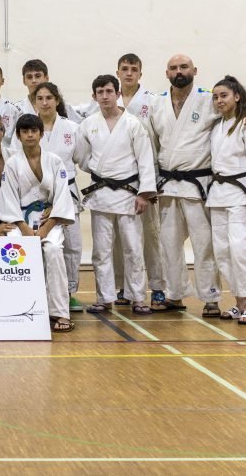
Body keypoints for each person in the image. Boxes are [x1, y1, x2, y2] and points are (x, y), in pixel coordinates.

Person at [148, 54, 246, 316]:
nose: (179, 71)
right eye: (174, 68)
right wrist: (150, 183)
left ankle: (211, 297)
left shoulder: (208, 97)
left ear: (194, 71)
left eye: (184, 67)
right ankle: (175, 295)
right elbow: (152, 143)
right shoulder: (157, 103)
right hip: (167, 184)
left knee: (205, 244)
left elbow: (236, 107)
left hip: (198, 184)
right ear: (166, 73)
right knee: (168, 243)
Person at [74, 74, 157, 315]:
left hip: (129, 194)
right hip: (101, 193)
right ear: (94, 96)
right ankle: (104, 297)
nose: (105, 96)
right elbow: (81, 156)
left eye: (109, 91)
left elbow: (145, 160)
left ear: (118, 94)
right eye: (100, 92)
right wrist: (100, 172)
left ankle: (138, 297)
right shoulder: (88, 124)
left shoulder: (133, 124)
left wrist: (144, 193)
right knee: (101, 250)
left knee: (133, 247)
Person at [0, 114, 76, 332]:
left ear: (41, 134)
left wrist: (45, 229)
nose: (30, 135)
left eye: (34, 130)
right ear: (19, 136)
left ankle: (59, 312)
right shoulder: (12, 164)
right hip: (20, 220)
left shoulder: (54, 161)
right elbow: (9, 200)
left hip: (48, 219)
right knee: (15, 253)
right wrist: (25, 230)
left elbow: (61, 197)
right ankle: (19, 309)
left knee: (52, 250)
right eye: (25, 131)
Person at [207, 76, 246, 325]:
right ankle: (238, 302)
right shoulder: (217, 126)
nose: (219, 100)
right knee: (223, 252)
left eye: (224, 95)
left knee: (242, 249)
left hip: (242, 195)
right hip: (219, 195)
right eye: (215, 96)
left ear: (237, 97)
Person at [109, 54, 165, 310]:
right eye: (124, 69)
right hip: (118, 181)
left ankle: (157, 287)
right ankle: (124, 286)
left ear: (140, 74)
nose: (129, 73)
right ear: (118, 72)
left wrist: (154, 182)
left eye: (134, 69)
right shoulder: (109, 99)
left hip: (145, 178)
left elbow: (163, 137)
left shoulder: (152, 102)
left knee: (151, 236)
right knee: (121, 237)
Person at [26, 82, 85, 313]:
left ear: (57, 100)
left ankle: (68, 292)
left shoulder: (71, 127)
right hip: (35, 195)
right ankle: (38, 289)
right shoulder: (28, 128)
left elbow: (81, 157)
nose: (44, 102)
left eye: (49, 98)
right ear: (34, 102)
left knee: (72, 244)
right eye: (39, 98)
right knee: (40, 243)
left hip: (66, 191)